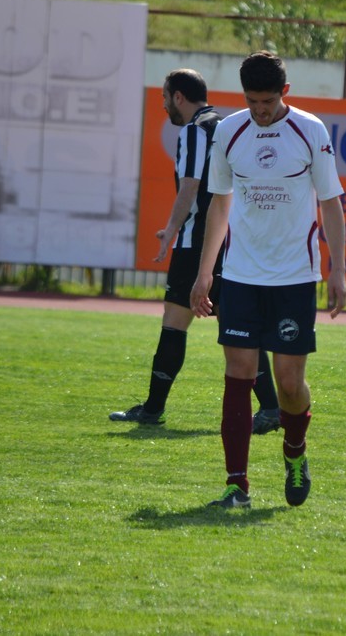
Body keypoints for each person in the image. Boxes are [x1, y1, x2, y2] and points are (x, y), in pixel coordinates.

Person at [190, 51, 346, 508]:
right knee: (237, 375)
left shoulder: (310, 130)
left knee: (289, 385)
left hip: (294, 278)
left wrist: (338, 269)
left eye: (268, 101)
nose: (259, 110)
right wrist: (205, 274)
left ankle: (295, 451)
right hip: (241, 275)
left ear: (285, 93)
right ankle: (236, 485)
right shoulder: (228, 131)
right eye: (252, 101)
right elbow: (219, 204)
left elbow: (331, 202)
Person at [109, 69, 282, 431]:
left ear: (179, 97)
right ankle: (270, 408)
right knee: (238, 325)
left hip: (197, 243)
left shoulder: (194, 130)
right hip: (233, 242)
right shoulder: (227, 126)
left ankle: (153, 409)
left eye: (165, 97)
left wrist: (171, 229)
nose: (164, 105)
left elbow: (190, 186)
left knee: (175, 323)